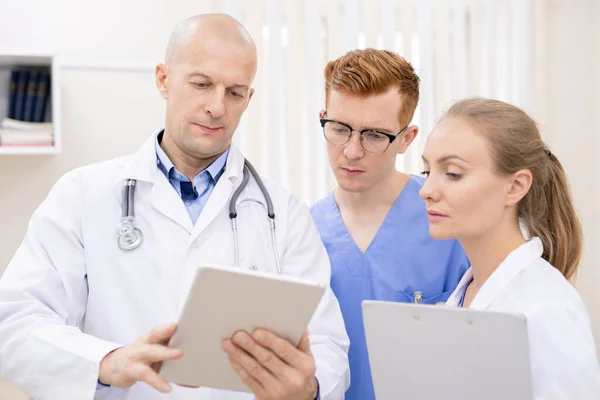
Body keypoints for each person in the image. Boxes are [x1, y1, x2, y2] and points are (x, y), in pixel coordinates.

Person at [0, 14, 350, 400]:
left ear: (249, 99)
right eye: (202, 84)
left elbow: (327, 343)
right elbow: (16, 321)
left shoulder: (284, 215)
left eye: (235, 92)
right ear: (164, 80)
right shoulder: (83, 196)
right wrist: (104, 361)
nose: (217, 106)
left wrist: (310, 388)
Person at [310, 48, 469, 400]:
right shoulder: (302, 234)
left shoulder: (448, 226)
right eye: (339, 129)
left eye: (375, 136)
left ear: (407, 139)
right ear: (323, 118)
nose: (352, 151)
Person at [419, 97, 600, 398]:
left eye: (452, 173)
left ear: (515, 186)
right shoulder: (464, 294)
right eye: (427, 172)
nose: (426, 191)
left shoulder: (548, 310)